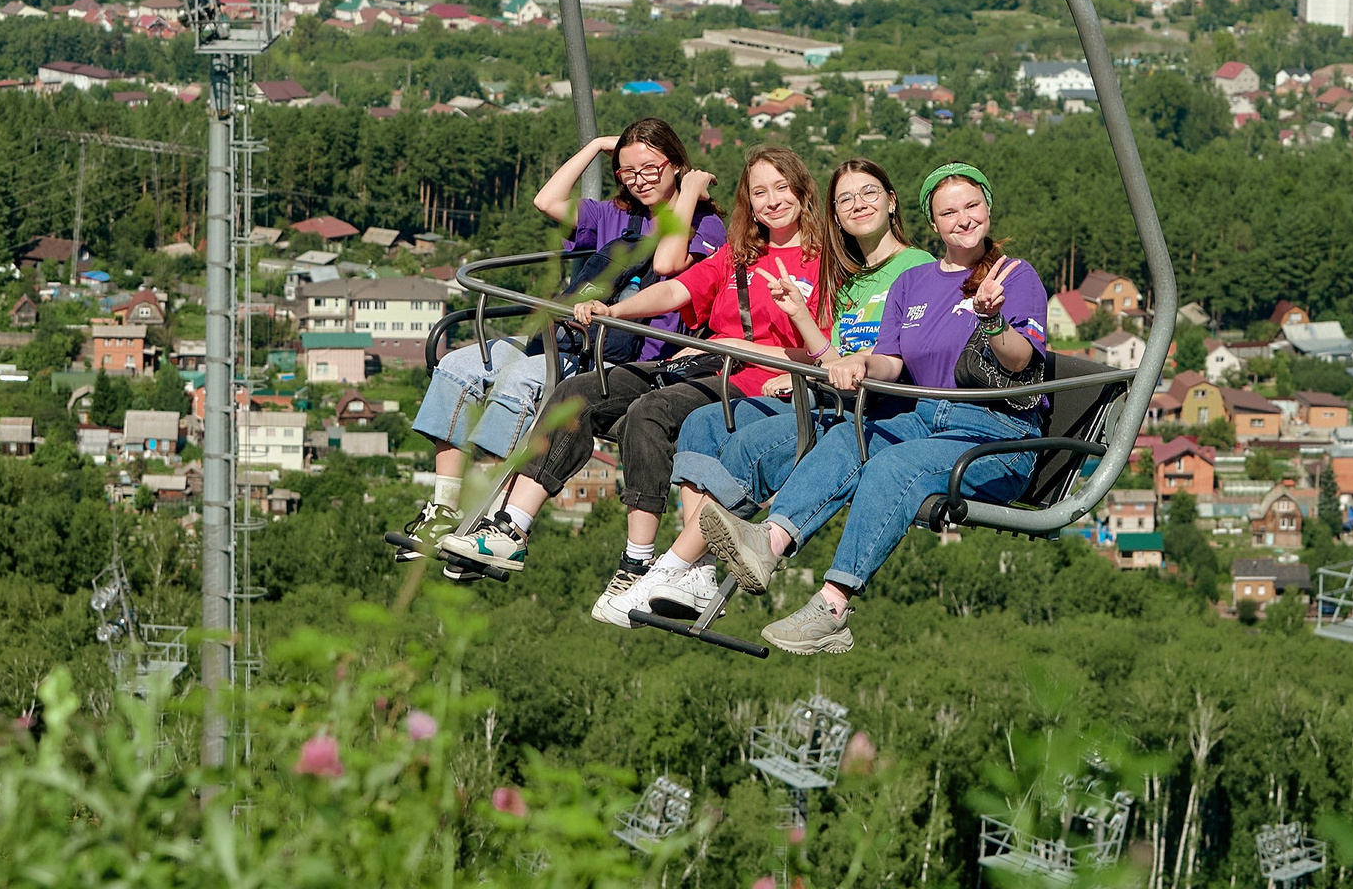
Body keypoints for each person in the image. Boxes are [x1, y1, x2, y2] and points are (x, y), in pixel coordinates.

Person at [446, 144, 840, 626]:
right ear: (748, 203)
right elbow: (676, 289)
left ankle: (638, 559)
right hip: (701, 364)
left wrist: (746, 351)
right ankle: (512, 527)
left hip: (753, 381)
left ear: (802, 192)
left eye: (781, 188)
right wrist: (615, 310)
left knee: (650, 412)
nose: (772, 201)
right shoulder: (740, 255)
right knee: (580, 392)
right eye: (759, 192)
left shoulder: (825, 265)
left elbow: (825, 352)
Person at [698, 163, 1050, 655]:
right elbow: (891, 361)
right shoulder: (915, 283)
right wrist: (860, 363)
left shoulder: (1015, 275)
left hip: (995, 433)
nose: (963, 219)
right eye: (949, 211)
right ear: (933, 222)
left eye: (971, 206)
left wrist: (991, 321)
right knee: (849, 437)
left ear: (988, 208)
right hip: (924, 419)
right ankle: (769, 543)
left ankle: (833, 606)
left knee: (892, 465)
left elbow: (1022, 359)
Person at [611, 159, 931, 621]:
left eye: (868, 194)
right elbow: (830, 349)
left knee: (744, 446)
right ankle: (696, 571)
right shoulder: (852, 275)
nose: (858, 205)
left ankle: (671, 568)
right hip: (820, 390)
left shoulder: (910, 271)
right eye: (846, 199)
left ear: (891, 200)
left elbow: (894, 357)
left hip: (860, 409)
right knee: (702, 421)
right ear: (835, 214)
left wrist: (815, 365)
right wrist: (809, 360)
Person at [393, 120, 720, 568]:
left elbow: (669, 262)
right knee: (461, 366)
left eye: (651, 168)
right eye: (628, 172)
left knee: (521, 383)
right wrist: (598, 145)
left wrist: (687, 191)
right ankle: (445, 507)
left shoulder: (704, 226)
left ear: (676, 164)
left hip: (621, 357)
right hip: (561, 337)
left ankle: (481, 517)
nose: (640, 181)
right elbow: (546, 200)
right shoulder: (614, 216)